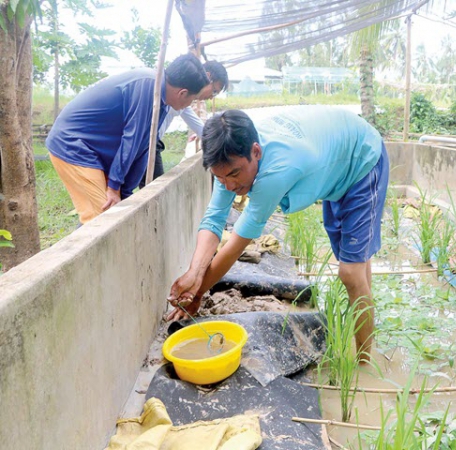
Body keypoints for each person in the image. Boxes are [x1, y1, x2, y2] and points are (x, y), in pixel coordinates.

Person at [168, 106, 389, 362]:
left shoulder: (277, 170)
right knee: (356, 265)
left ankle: (364, 363)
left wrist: (197, 293)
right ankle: (363, 335)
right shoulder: (230, 158)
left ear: (256, 151)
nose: (229, 186)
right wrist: (194, 274)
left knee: (350, 271)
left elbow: (238, 241)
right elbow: (214, 218)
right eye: (220, 178)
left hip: (361, 158)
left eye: (234, 175)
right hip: (335, 161)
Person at [46, 54, 217, 224]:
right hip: (73, 145)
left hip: (95, 151)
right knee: (102, 219)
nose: (190, 105)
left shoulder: (162, 100)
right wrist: (114, 187)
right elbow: (132, 139)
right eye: (193, 100)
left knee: (106, 215)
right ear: (183, 93)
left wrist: (125, 191)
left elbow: (145, 146)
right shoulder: (147, 86)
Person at [139, 60, 229, 188]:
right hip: (145, 143)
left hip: (151, 144)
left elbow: (198, 125)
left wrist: (217, 142)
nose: (211, 97)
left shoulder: (184, 101)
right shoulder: (173, 92)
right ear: (208, 77)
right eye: (214, 91)